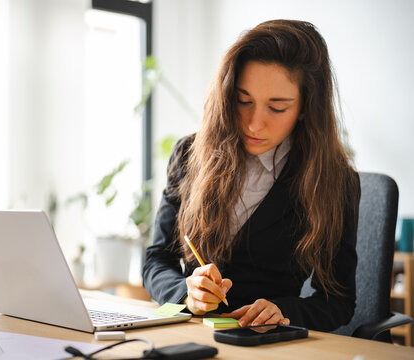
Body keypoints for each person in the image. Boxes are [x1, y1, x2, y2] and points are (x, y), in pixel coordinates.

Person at [142, 19, 361, 332]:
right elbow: (156, 261)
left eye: (277, 107)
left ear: (304, 108)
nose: (254, 123)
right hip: (191, 335)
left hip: (265, 345)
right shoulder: (190, 154)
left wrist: (283, 311)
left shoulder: (334, 181)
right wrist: (186, 294)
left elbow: (338, 302)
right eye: (243, 101)